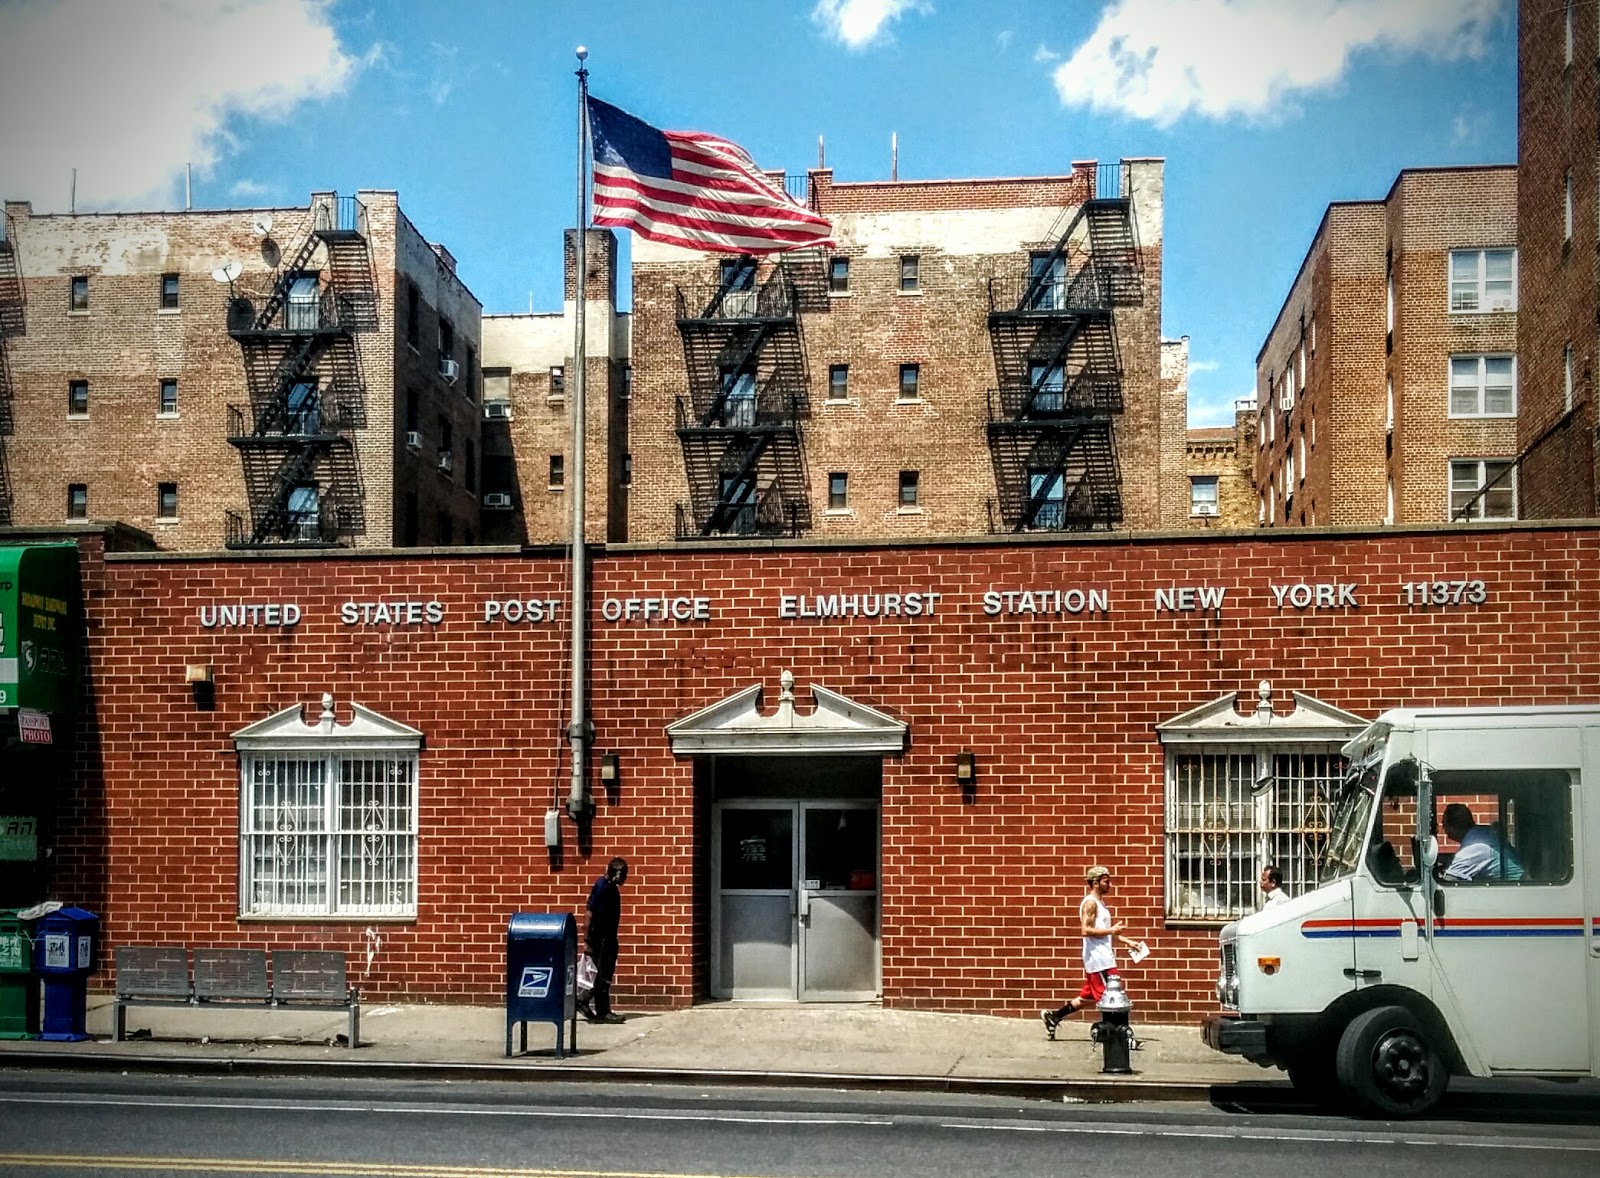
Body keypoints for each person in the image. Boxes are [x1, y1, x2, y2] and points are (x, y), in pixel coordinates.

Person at [1041, 865, 1143, 1039]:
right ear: (1095, 883)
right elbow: (1085, 930)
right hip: (1098, 960)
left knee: (1086, 997)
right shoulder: (1090, 903)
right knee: (1112, 997)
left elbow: (1105, 932)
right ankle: (1121, 1038)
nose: (1109, 884)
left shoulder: (1100, 904)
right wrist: (1111, 930)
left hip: (1103, 957)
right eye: (1106, 881)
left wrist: (1127, 941)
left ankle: (1054, 1017)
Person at [579, 856, 628, 1024]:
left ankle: (588, 1003)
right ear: (617, 874)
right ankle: (599, 1009)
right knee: (603, 975)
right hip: (601, 939)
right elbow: (589, 913)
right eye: (624, 876)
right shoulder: (603, 888)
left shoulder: (607, 887)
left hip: (607, 937)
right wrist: (587, 941)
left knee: (602, 974)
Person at [1441, 804, 1523, 881]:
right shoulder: (1481, 833)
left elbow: (1449, 879)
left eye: (1444, 825)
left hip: (1516, 888)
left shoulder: (1474, 846)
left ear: (1452, 828)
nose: (1444, 829)